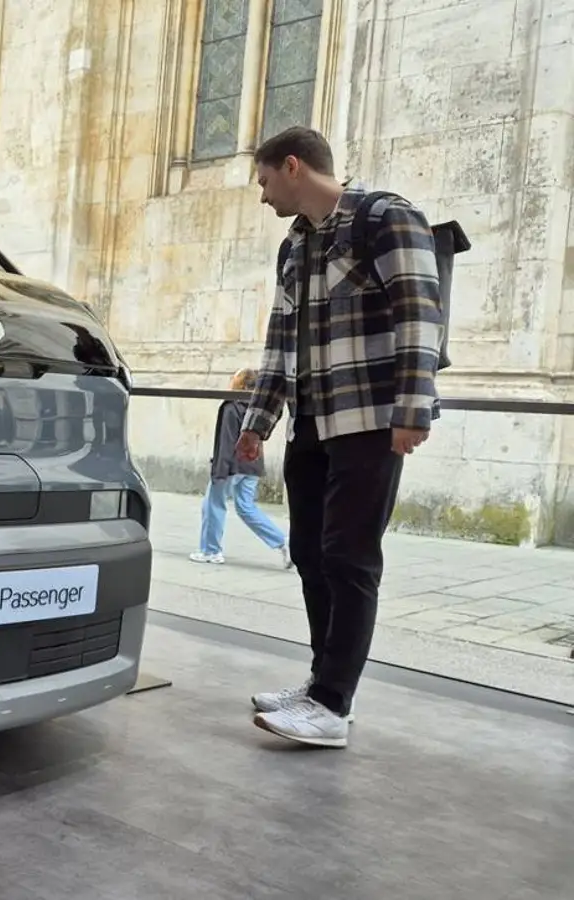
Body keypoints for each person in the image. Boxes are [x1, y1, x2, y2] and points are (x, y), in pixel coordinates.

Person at [236, 126, 445, 748]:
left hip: (369, 419)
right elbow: (280, 340)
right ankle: (323, 683)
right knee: (309, 553)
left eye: (264, 181)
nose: (262, 195)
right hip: (311, 422)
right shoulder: (295, 245)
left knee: (349, 558)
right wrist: (257, 423)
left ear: (292, 166)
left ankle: (332, 705)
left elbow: (420, 313)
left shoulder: (384, 217)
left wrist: (413, 407)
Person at [188, 367, 291, 569]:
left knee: (213, 504)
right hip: (252, 465)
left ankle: (211, 551)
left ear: (241, 384)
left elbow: (226, 441)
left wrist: (219, 470)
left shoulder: (231, 406)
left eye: (233, 378)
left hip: (232, 466)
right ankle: (283, 542)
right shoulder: (257, 407)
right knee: (246, 507)